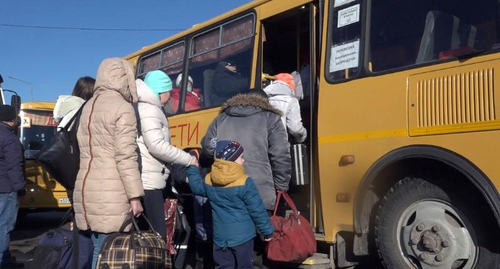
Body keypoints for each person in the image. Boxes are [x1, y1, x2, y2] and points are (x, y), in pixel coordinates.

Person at [201, 90, 291, 268]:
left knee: (231, 250)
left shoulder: (222, 118)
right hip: (261, 192)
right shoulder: (270, 118)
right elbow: (280, 155)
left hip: (225, 192)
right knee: (262, 249)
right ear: (264, 102)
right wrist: (281, 187)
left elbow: (208, 147)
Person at [73, 58, 145, 269]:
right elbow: (125, 156)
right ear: (124, 77)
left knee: (94, 247)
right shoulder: (122, 108)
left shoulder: (88, 107)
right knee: (106, 251)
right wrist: (135, 195)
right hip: (111, 190)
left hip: (86, 189)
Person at [187, 140, 274, 269]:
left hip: (220, 239)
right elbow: (257, 210)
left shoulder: (210, 180)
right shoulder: (245, 182)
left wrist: (192, 168)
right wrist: (268, 231)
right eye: (241, 157)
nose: (243, 161)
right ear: (232, 160)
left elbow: (196, 187)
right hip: (243, 238)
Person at [134, 70, 196, 240]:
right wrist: (188, 159)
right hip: (149, 182)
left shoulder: (149, 108)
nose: (170, 96)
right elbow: (157, 146)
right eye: (168, 92)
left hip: (150, 178)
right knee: (157, 235)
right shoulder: (150, 110)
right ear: (160, 91)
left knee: (148, 233)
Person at [0, 105, 25, 268]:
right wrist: (20, 189)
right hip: (6, 188)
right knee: (4, 227)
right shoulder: (10, 139)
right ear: (12, 120)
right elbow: (14, 166)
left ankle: (6, 259)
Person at [264, 73, 307, 143]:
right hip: (280, 143)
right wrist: (303, 136)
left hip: (262, 143)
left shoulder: (262, 98)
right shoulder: (291, 101)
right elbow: (295, 129)